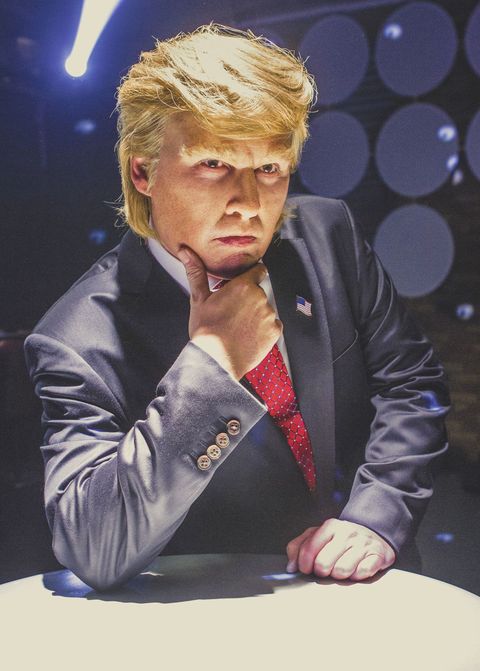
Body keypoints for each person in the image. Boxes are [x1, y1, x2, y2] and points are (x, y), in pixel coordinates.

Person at [24, 24, 449, 591]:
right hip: (214, 610)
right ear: (143, 172)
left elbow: (413, 384)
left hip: (366, 589)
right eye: (213, 164)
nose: (247, 205)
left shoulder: (329, 235)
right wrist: (212, 364)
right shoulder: (77, 336)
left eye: (268, 169)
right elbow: (94, 546)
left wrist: (376, 516)